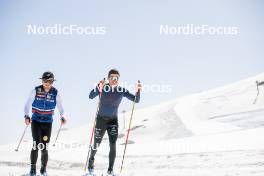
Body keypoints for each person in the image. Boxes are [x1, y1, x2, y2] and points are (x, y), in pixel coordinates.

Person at [87, 69, 141, 176]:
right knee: (96, 144)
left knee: (113, 144)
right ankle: (91, 162)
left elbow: (136, 100)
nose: (114, 80)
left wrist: (138, 91)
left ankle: (110, 170)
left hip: (113, 121)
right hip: (101, 120)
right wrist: (98, 86)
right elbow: (91, 96)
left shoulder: (121, 90)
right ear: (108, 78)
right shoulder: (103, 88)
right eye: (112, 77)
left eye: (116, 78)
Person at [24, 71, 67, 176]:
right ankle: (32, 169)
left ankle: (43, 170)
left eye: (49, 81)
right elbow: (27, 105)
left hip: (47, 123)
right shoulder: (35, 91)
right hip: (36, 122)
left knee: (44, 147)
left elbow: (61, 108)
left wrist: (63, 116)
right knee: (35, 144)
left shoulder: (55, 92)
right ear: (42, 81)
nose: (47, 83)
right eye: (45, 80)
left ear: (52, 82)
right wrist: (26, 116)